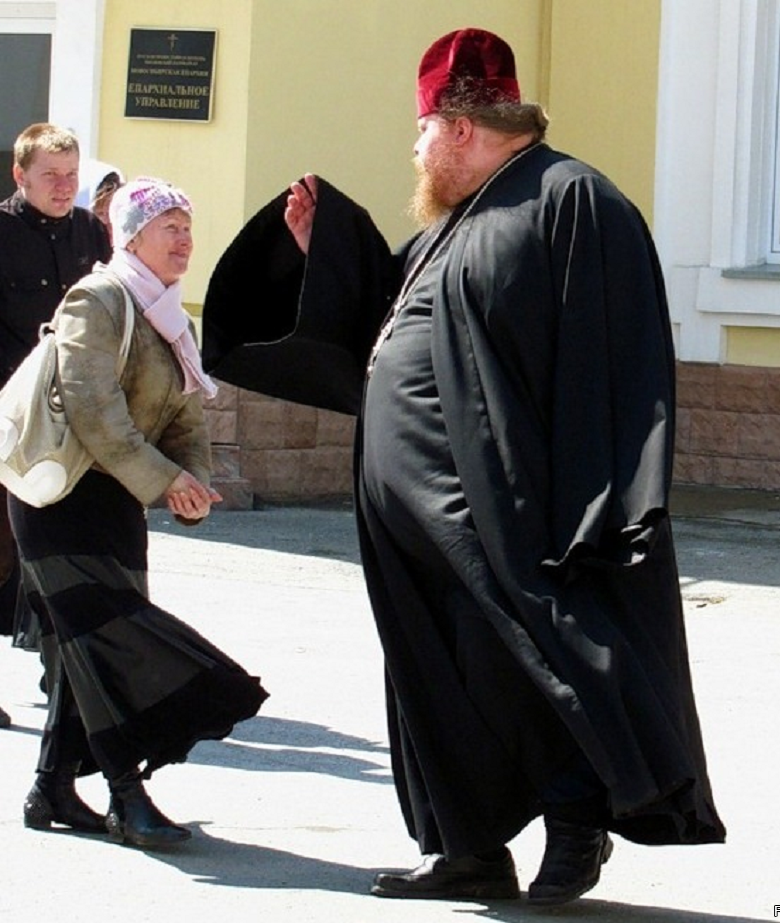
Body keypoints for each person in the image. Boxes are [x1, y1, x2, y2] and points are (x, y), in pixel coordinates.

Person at [202, 28, 726, 904]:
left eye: (418, 134)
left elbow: (615, 355)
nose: (411, 152)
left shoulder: (570, 200)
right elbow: (384, 313)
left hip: (500, 510)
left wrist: (605, 496)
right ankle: (468, 847)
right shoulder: (457, 226)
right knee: (433, 673)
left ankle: (574, 825)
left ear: (454, 124)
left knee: (518, 662)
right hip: (410, 521)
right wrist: (317, 248)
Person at [10, 176, 269, 849]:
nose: (185, 239)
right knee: (109, 643)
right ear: (132, 237)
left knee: (85, 645)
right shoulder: (96, 300)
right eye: (169, 227)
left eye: (188, 226)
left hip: (117, 498)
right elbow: (97, 413)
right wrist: (163, 481)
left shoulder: (171, 315)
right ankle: (128, 796)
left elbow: (186, 415)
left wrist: (193, 483)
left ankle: (51, 787)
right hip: (60, 497)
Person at [1, 123, 112, 712]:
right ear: (21, 176)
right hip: (7, 419)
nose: (64, 187)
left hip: (69, 421)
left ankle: (60, 677)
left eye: (71, 176)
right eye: (51, 176)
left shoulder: (91, 232)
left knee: (57, 552)